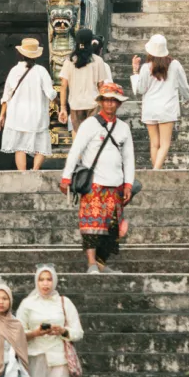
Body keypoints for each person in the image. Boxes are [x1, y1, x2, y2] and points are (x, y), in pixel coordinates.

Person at [60, 80, 135, 273]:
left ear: (119, 104)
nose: (110, 104)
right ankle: (91, 263)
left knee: (111, 229)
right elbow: (75, 151)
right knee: (91, 226)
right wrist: (66, 177)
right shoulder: (89, 125)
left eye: (114, 101)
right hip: (94, 184)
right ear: (101, 101)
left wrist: (128, 183)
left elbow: (129, 158)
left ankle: (101, 263)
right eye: (107, 100)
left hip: (116, 183)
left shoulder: (123, 128)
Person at [130, 32, 189, 170]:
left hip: (150, 109)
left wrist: (135, 71)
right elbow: (184, 86)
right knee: (164, 144)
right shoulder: (174, 65)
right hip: (167, 108)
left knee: (154, 144)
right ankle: (156, 171)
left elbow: (140, 89)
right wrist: (186, 99)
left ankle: (155, 172)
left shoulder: (146, 67)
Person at [0, 37, 56, 171]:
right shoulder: (41, 71)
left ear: (20, 54)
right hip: (37, 115)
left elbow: (6, 96)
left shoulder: (14, 71)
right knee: (41, 145)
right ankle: (35, 171)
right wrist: (61, 104)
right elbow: (51, 93)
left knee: (19, 147)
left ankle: (22, 174)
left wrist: (2, 116)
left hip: (17, 115)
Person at [58, 27, 112, 134]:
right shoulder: (98, 61)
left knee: (79, 138)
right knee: (93, 137)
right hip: (93, 105)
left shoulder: (69, 61)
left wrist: (63, 108)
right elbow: (101, 85)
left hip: (75, 105)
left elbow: (63, 85)